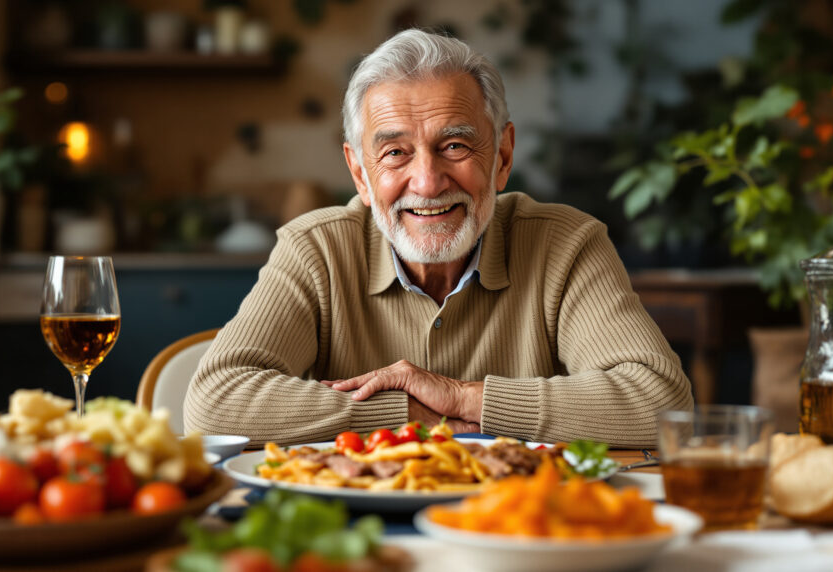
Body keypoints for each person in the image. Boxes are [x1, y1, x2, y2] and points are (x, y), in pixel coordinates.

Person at [184, 29, 693, 447]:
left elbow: (662, 404)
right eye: (395, 153)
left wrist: (465, 398)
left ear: (503, 156)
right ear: (360, 174)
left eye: (454, 145)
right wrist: (407, 411)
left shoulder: (567, 243)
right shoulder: (315, 249)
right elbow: (214, 404)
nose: (427, 182)